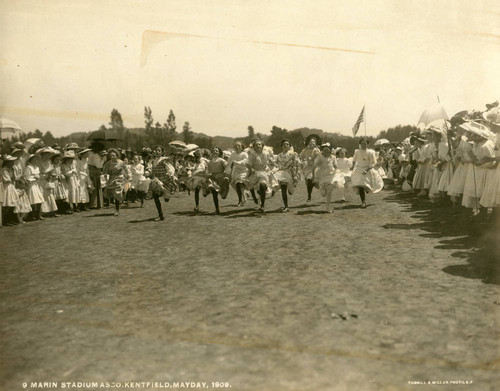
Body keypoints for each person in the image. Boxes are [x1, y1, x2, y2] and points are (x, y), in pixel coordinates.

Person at [462, 123, 496, 216]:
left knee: (484, 192)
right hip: (479, 171)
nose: (469, 135)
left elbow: (492, 161)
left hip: (487, 172)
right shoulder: (476, 145)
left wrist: (481, 164)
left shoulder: (485, 145)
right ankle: (480, 211)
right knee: (478, 192)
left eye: (472, 134)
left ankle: (486, 212)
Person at [351, 138, 384, 208]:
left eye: (365, 144)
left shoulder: (371, 152)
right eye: (362, 143)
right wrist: (352, 166)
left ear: (367, 144)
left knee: (367, 185)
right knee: (360, 185)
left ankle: (367, 189)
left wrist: (367, 169)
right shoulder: (357, 151)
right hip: (359, 170)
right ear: (360, 144)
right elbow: (354, 160)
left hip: (368, 169)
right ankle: (363, 202)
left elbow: (373, 162)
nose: (364, 145)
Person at [313, 143, 345, 212]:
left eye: (328, 150)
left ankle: (328, 208)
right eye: (324, 150)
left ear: (330, 151)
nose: (326, 152)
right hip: (322, 177)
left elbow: (335, 166)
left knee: (329, 191)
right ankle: (322, 190)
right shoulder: (320, 157)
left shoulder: (333, 157)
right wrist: (313, 176)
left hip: (331, 176)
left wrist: (338, 171)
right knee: (323, 194)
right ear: (322, 151)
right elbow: (315, 166)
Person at [246, 139, 275, 212]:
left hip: (264, 173)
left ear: (262, 146)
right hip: (255, 173)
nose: (258, 146)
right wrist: (251, 169)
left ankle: (262, 206)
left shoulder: (266, 153)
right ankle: (254, 196)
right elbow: (248, 164)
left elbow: (270, 161)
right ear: (254, 147)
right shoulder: (252, 155)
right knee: (254, 187)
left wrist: (272, 165)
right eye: (256, 145)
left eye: (259, 144)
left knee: (263, 185)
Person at [149, 145, 176, 220]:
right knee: (155, 196)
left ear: (162, 152)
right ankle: (160, 215)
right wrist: (149, 174)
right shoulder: (153, 161)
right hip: (157, 181)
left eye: (159, 150)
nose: (157, 152)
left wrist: (169, 173)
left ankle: (166, 196)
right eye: (156, 150)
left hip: (165, 181)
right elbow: (153, 171)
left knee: (166, 198)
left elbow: (171, 169)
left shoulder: (164, 160)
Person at [273, 139, 300, 212]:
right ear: (281, 146)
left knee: (291, 191)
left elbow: (297, 165)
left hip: (291, 173)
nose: (285, 145)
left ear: (289, 146)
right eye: (284, 144)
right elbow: (275, 164)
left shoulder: (293, 154)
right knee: (283, 189)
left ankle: (290, 189)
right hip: (282, 173)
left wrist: (295, 174)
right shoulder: (279, 155)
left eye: (287, 144)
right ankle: (286, 206)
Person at [102, 148, 128, 216]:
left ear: (117, 155)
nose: (112, 157)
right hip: (111, 179)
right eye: (111, 156)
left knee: (117, 193)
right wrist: (106, 180)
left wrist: (128, 176)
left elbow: (126, 170)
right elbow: (105, 172)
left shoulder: (121, 162)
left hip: (119, 179)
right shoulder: (108, 163)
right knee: (109, 193)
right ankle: (112, 203)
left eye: (114, 155)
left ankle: (117, 209)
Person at [206, 146, 229, 214]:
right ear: (212, 152)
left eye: (216, 151)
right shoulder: (209, 162)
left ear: (219, 153)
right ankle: (217, 209)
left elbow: (227, 168)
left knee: (223, 195)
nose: (215, 152)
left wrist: (225, 174)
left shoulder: (222, 160)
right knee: (214, 192)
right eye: (213, 150)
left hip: (221, 178)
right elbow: (208, 170)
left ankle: (223, 194)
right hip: (213, 178)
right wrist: (208, 174)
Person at [226, 142, 249, 206]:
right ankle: (244, 195)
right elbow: (229, 162)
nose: (237, 147)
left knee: (239, 183)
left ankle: (240, 200)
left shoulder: (244, 154)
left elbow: (246, 161)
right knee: (235, 185)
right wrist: (227, 170)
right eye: (235, 146)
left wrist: (238, 162)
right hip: (236, 171)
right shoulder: (233, 154)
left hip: (244, 171)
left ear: (242, 147)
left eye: (238, 145)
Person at [299, 135, 321, 202]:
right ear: (308, 143)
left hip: (316, 167)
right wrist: (304, 160)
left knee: (315, 182)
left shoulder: (317, 150)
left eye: (313, 142)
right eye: (311, 142)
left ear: (315, 143)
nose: (312, 143)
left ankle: (314, 183)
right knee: (309, 180)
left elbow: (320, 158)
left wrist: (314, 157)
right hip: (308, 168)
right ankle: (309, 196)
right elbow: (301, 156)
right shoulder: (305, 150)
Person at [25, 154, 45, 220]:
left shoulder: (37, 168)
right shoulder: (28, 167)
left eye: (36, 160)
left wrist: (38, 177)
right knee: (33, 200)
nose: (36, 161)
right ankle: (32, 215)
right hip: (31, 185)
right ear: (31, 160)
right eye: (34, 160)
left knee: (39, 199)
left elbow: (38, 176)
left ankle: (38, 214)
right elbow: (27, 178)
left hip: (36, 185)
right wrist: (35, 177)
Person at [1, 155, 21, 225]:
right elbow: (7, 180)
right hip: (7, 187)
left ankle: (10, 220)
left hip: (11, 186)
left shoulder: (11, 169)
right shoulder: (4, 169)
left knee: (12, 203)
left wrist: (13, 172)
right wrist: (12, 177)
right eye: (11, 162)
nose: (13, 163)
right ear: (7, 162)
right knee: (7, 204)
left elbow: (14, 178)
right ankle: (5, 221)